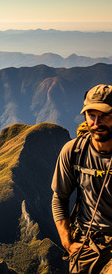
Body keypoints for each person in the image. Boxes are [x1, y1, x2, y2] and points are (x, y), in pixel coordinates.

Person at [52, 84, 112, 273]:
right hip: (87, 243)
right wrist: (67, 242)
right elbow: (59, 198)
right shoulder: (73, 151)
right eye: (91, 115)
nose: (96, 122)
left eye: (105, 115)